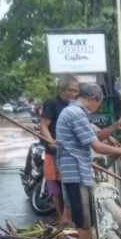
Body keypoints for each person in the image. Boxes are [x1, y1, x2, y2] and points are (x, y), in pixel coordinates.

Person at [56, 82, 121, 239]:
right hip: (77, 173)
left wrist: (115, 126)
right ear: (92, 99)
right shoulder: (76, 114)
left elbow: (97, 137)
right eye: (98, 104)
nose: (97, 108)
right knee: (84, 221)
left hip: (77, 171)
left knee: (85, 219)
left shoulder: (77, 113)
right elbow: (96, 146)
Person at [39, 74, 78, 224]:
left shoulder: (74, 106)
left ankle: (69, 217)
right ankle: (62, 217)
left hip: (68, 153)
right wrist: (50, 140)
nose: (74, 94)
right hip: (53, 151)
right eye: (71, 90)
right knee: (54, 188)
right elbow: (44, 124)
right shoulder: (52, 103)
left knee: (68, 187)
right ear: (62, 90)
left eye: (76, 91)